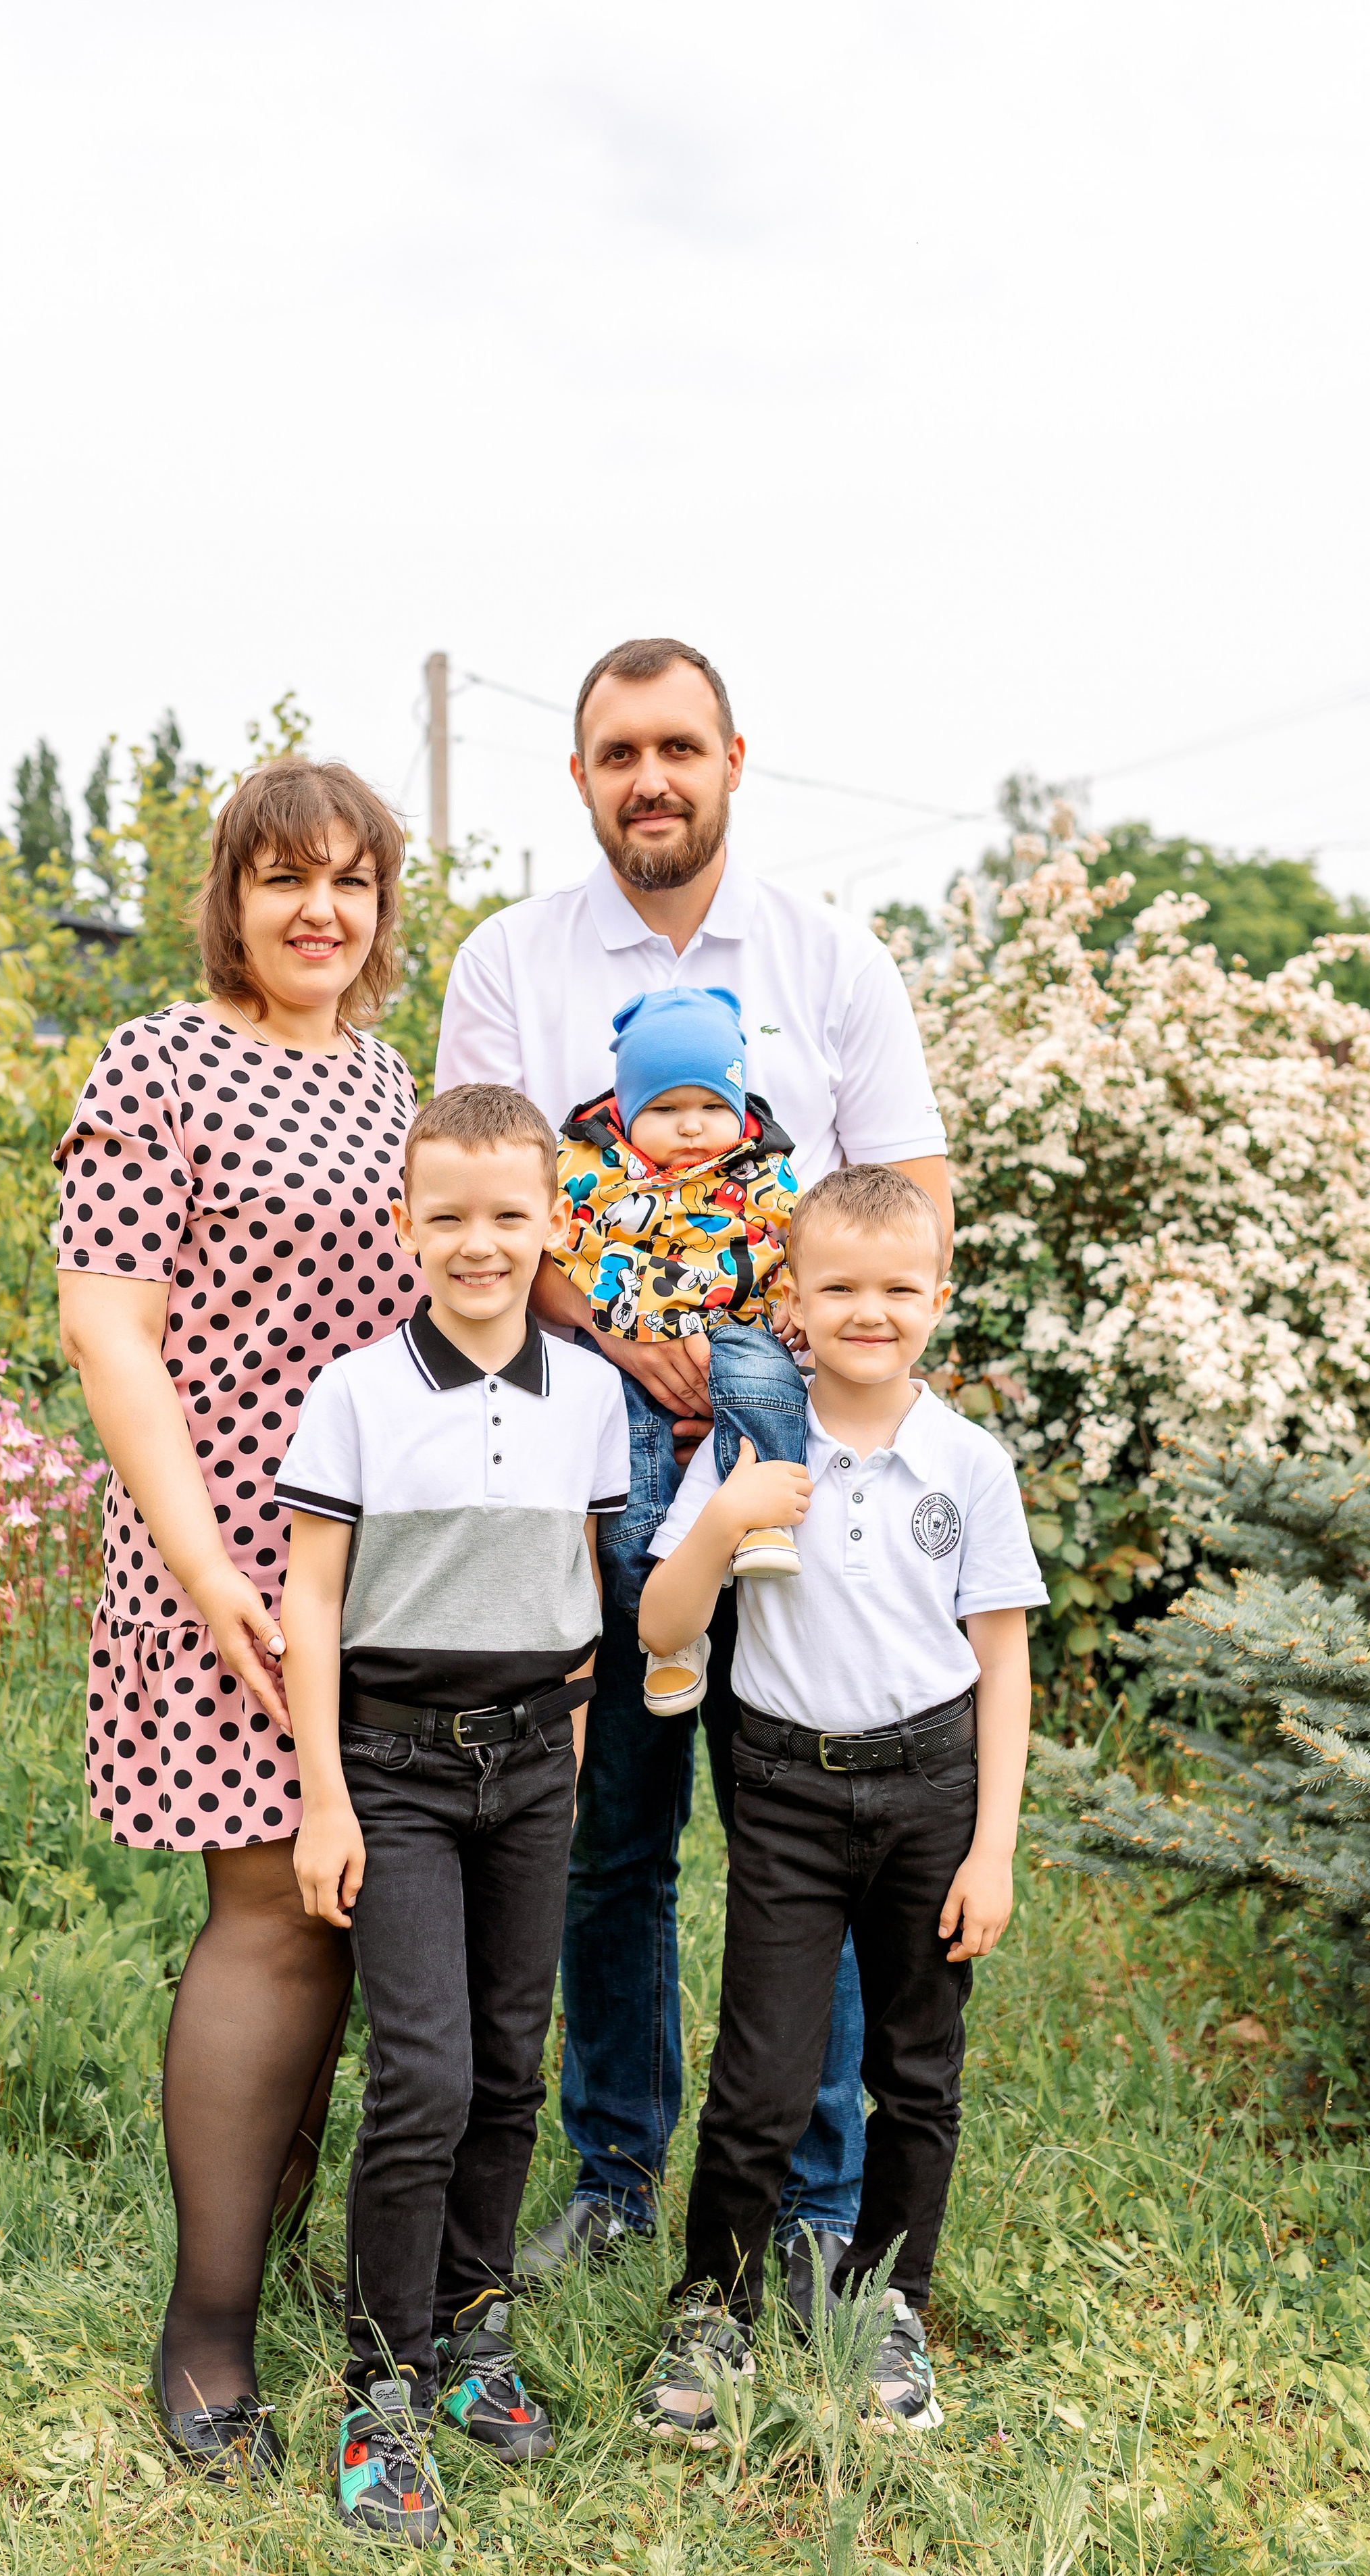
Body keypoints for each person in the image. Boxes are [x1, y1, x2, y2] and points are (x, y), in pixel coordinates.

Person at [434, 636, 952, 2298]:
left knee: (809, 1828)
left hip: (794, 1479)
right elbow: (476, 1200)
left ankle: (810, 2201)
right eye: (614, 753)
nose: (647, 777)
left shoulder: (829, 961)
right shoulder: (511, 963)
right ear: (577, 776)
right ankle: (606, 2170)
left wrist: (782, 1354)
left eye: (675, 746)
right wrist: (613, 1330)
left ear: (734, 756)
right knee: (610, 1835)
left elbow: (910, 1203)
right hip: (579, 1468)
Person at [54, 757, 421, 2483]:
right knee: (271, 1907)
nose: (317, 910)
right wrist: (211, 1579)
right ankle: (207, 2325)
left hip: (382, 1570)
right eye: (283, 878)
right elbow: (111, 1333)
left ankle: (281, 2235)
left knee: (360, 1900)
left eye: (348, 879)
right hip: (225, 1554)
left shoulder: (385, 1076)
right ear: (230, 893)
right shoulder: (159, 1059)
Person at [636, 1165, 1044, 2433]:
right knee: (763, 2070)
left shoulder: (967, 1462)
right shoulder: (755, 1448)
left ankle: (886, 2305)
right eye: (842, 1289)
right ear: (796, 1306)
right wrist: (724, 1521)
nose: (873, 1311)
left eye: (899, 1289)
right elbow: (660, 1625)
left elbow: (1003, 1661)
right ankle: (715, 2305)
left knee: (918, 2070)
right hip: (788, 1793)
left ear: (937, 1299)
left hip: (931, 1788)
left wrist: (994, 1849)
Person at [276, 1084, 628, 2547]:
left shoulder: (592, 1394)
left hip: (533, 1768)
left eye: (507, 1214)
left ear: (551, 1223)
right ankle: (385, 2383)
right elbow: (307, 1594)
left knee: (506, 2064)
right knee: (421, 2073)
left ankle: (475, 2324)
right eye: (448, 1215)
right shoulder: (358, 1391)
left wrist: (571, 1755)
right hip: (397, 1772)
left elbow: (584, 1602)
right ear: (404, 1220)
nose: (477, 1243)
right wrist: (324, 1798)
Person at [551, 980, 811, 1717]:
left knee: (766, 1375)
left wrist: (794, 1299)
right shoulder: (591, 1172)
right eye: (664, 1110)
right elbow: (558, 1250)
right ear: (628, 1113)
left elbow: (802, 1245)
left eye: (710, 1108)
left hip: (739, 1332)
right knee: (633, 1491)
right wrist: (614, 1329)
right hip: (628, 1358)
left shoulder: (764, 1170)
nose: (691, 1128)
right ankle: (666, 1638)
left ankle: (763, 1511)